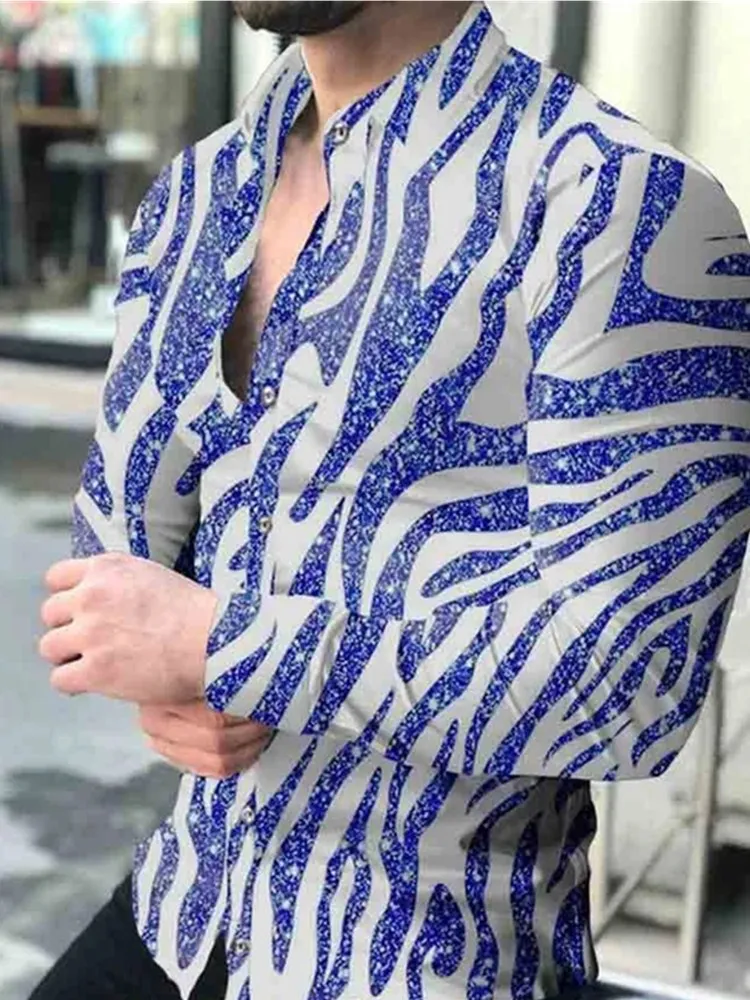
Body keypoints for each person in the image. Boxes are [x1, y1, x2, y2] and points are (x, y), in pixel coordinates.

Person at [34, 1, 750, 998]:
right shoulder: (197, 193)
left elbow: (628, 690)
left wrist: (225, 646)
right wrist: (170, 677)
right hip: (187, 908)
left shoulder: (615, 201)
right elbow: (116, 563)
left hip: (425, 952)